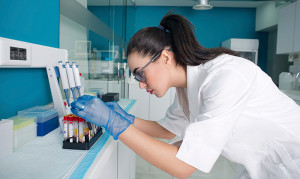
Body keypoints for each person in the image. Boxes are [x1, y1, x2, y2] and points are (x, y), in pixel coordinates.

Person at [71, 11, 300, 179]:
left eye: (140, 74)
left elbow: (183, 166)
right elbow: (168, 129)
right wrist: (125, 119)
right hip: (260, 167)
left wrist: (115, 125)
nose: (141, 85)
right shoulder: (186, 86)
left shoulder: (226, 76)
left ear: (165, 58)